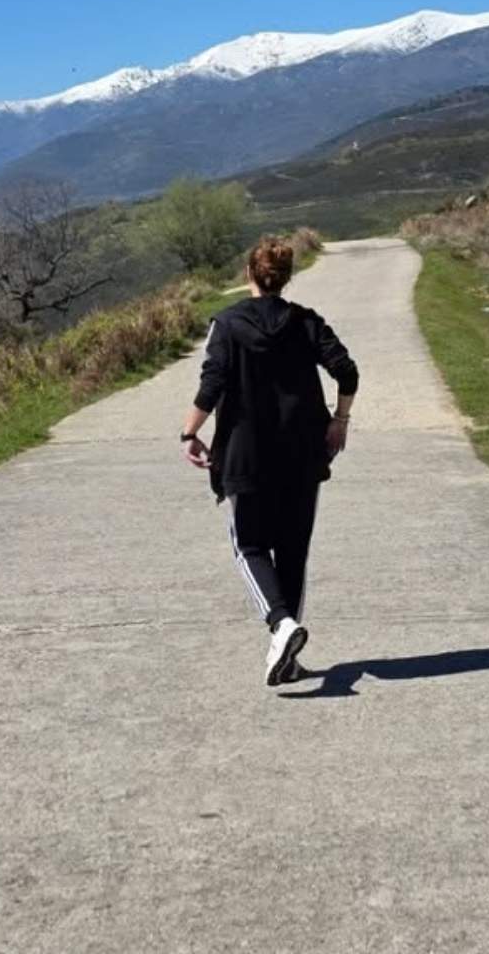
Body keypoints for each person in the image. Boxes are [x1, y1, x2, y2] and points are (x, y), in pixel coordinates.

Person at [179, 235, 360, 686]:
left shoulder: (228, 324)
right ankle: (289, 655)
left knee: (250, 546)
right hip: (303, 454)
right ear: (285, 278)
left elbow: (213, 383)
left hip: (247, 455)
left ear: (249, 275)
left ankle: (280, 626)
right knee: (292, 552)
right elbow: (347, 370)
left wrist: (190, 431)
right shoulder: (305, 322)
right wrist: (340, 420)